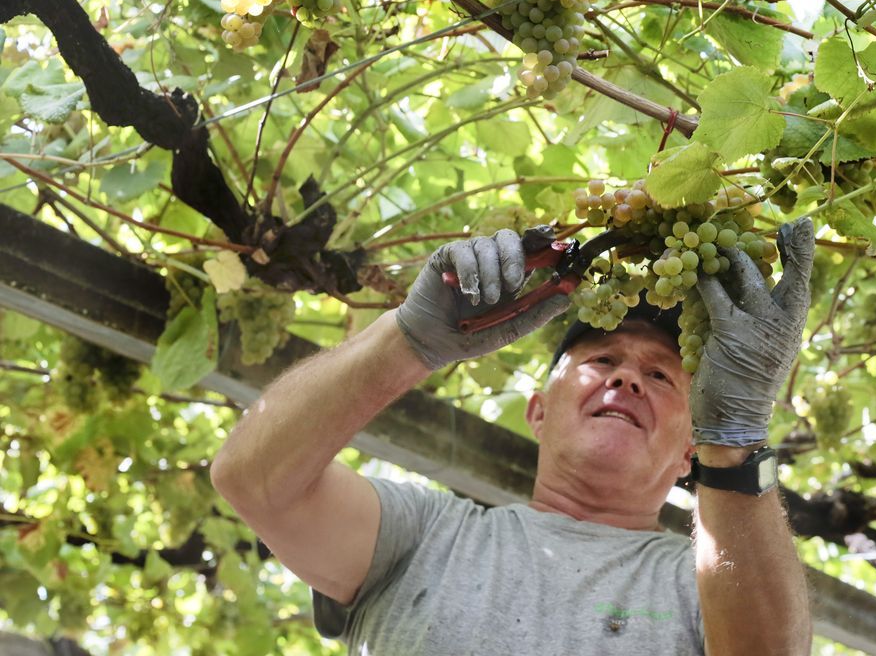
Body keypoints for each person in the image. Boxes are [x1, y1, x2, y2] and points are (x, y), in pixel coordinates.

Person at [210, 217, 816, 655]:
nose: (628, 377)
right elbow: (253, 481)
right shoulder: (423, 535)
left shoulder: (713, 584)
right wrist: (407, 340)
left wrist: (736, 441)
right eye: (601, 361)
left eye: (660, 375)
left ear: (691, 450)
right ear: (538, 412)